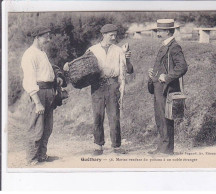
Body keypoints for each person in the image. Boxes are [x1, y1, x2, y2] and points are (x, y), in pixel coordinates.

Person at [76, 24, 133, 155]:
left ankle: (116, 146)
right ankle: (98, 145)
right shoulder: (92, 50)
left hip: (113, 85)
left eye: (115, 35)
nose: (113, 37)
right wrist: (69, 65)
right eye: (110, 35)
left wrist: (128, 58)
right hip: (97, 86)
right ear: (103, 35)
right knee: (97, 115)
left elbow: (129, 70)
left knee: (114, 116)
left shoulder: (119, 50)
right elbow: (82, 66)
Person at [21, 26, 67, 165]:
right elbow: (29, 79)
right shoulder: (29, 54)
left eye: (49, 36)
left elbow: (47, 70)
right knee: (36, 126)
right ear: (37, 37)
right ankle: (32, 158)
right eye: (45, 37)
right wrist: (37, 102)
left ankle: (42, 155)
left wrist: (56, 77)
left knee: (47, 127)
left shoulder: (42, 53)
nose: (48, 39)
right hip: (38, 92)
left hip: (48, 91)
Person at [148, 19, 188, 155]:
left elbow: (182, 67)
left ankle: (167, 150)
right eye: (158, 30)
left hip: (167, 88)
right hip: (158, 87)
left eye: (160, 30)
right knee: (159, 117)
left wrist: (166, 77)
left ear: (168, 31)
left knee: (166, 118)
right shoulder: (164, 45)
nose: (158, 33)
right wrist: (153, 74)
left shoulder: (174, 47)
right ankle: (161, 147)